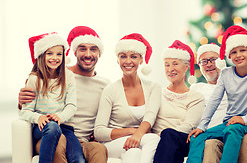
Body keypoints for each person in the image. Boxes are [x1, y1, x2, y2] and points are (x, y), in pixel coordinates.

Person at [18, 26, 109, 163]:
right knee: (59, 139)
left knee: (99, 149)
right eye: (82, 48)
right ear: (74, 52)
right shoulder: (56, 72)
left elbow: (112, 116)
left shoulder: (105, 85)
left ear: (100, 53)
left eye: (93, 49)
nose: (88, 54)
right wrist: (20, 102)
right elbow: (28, 106)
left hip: (78, 138)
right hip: (51, 134)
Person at [187, 25, 247, 163]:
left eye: (243, 50)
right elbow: (215, 100)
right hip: (230, 122)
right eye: (233, 52)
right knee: (198, 137)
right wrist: (201, 126)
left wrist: (244, 119)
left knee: (233, 130)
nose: (238, 55)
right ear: (228, 56)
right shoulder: (226, 74)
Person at [94, 33, 161, 163]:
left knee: (134, 153)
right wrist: (132, 132)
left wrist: (137, 135)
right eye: (123, 56)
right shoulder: (110, 90)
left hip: (139, 142)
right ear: (117, 60)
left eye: (134, 56)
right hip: (112, 143)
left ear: (141, 60)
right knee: (153, 139)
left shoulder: (154, 87)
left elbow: (150, 116)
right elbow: (99, 131)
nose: (128, 61)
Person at [19, 32, 85, 163]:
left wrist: (60, 116)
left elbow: (71, 106)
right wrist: (39, 117)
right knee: (52, 126)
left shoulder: (68, 76)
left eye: (59, 54)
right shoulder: (34, 79)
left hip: (65, 126)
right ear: (41, 55)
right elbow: (25, 112)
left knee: (78, 159)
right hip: (43, 128)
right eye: (50, 53)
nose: (55, 58)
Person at [152, 40, 205, 163]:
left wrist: (165, 135)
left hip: (183, 140)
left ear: (186, 67)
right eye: (167, 65)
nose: (170, 69)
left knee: (169, 134)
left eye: (175, 64)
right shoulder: (156, 92)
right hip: (157, 139)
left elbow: (189, 126)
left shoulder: (196, 97)